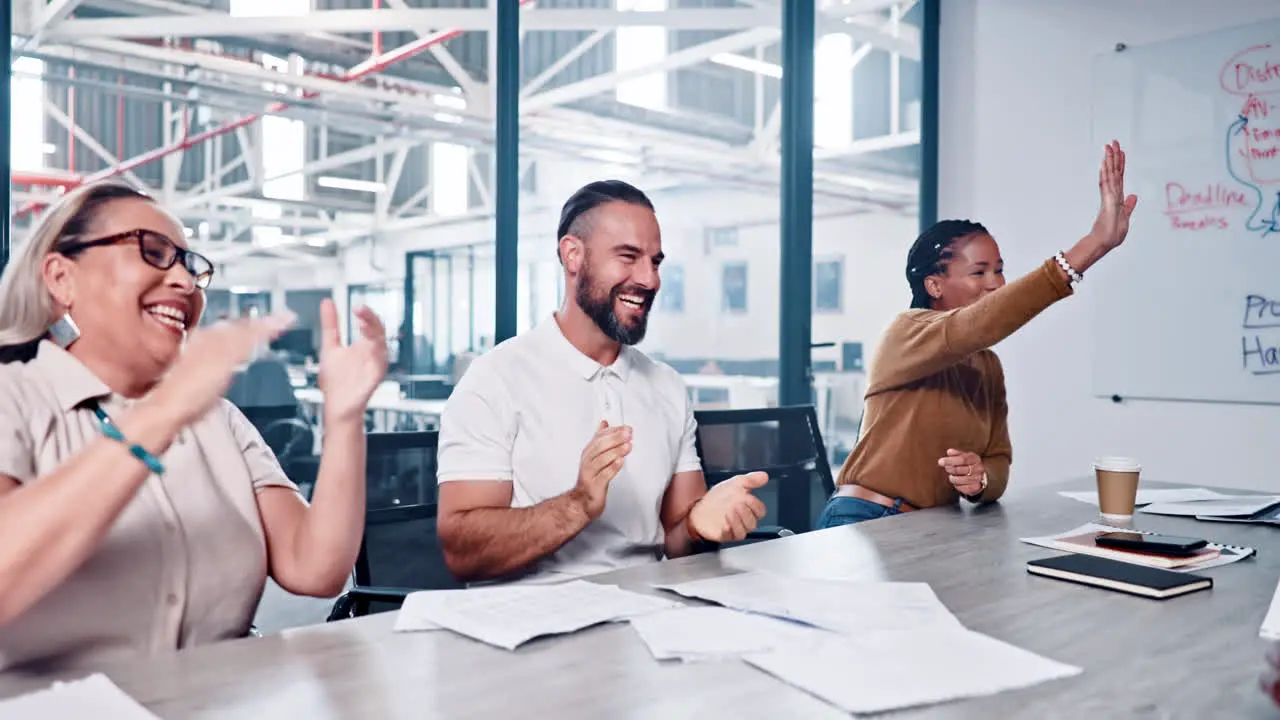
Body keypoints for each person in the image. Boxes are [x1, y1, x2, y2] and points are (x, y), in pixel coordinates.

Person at [0, 180, 388, 672]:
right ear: (61, 277)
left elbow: (314, 566)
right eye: (154, 252)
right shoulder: (12, 394)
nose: (185, 281)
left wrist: (344, 416)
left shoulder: (218, 420)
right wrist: (166, 409)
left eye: (189, 264)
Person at [436, 180, 768, 584]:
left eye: (655, 261)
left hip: (649, 612)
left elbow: (677, 542)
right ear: (572, 255)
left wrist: (699, 524)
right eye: (628, 257)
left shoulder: (666, 386)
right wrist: (578, 504)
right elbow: (462, 552)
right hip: (534, 624)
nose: (649, 279)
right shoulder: (494, 381)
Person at [816, 141, 1138, 528]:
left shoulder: (987, 365)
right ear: (935, 286)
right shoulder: (906, 332)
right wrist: (1093, 245)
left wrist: (979, 478)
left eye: (999, 270)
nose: (995, 284)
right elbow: (978, 324)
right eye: (979, 272)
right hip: (863, 519)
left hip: (932, 526)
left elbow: (999, 460)